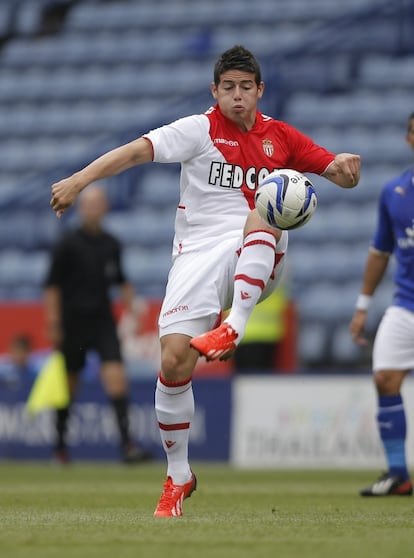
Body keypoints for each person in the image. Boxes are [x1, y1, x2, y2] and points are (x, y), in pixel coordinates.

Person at [49, 45, 360, 516]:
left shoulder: (281, 137)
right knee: (173, 361)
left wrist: (347, 169)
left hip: (255, 251)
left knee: (267, 204)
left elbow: (336, 171)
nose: (238, 96)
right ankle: (178, 477)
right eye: (228, 87)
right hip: (196, 257)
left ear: (260, 90)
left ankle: (235, 323)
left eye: (246, 87)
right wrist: (79, 181)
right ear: (215, 91)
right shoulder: (198, 130)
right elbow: (136, 152)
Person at [44, 184, 153, 465]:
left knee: (117, 380)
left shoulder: (111, 243)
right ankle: (60, 447)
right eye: (89, 204)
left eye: (98, 203)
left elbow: (121, 279)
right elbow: (53, 286)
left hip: (103, 321)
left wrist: (133, 307)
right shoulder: (66, 243)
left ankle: (128, 446)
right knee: (69, 387)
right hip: (73, 322)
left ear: (105, 208)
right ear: (82, 208)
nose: (93, 208)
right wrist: (54, 322)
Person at [349, 112, 414, 497]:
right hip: (405, 304)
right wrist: (362, 306)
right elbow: (380, 251)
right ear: (409, 140)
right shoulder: (394, 192)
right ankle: (397, 474)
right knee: (385, 378)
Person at [232, 284, 288, 372]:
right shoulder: (273, 272)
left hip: (242, 332)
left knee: (246, 380)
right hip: (268, 332)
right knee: (262, 380)